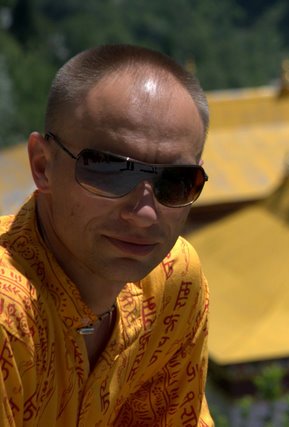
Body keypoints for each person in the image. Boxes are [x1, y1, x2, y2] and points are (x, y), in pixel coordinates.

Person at [0, 44, 214, 426]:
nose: (144, 214)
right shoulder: (7, 314)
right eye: (109, 170)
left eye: (177, 181)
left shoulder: (172, 282)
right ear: (42, 166)